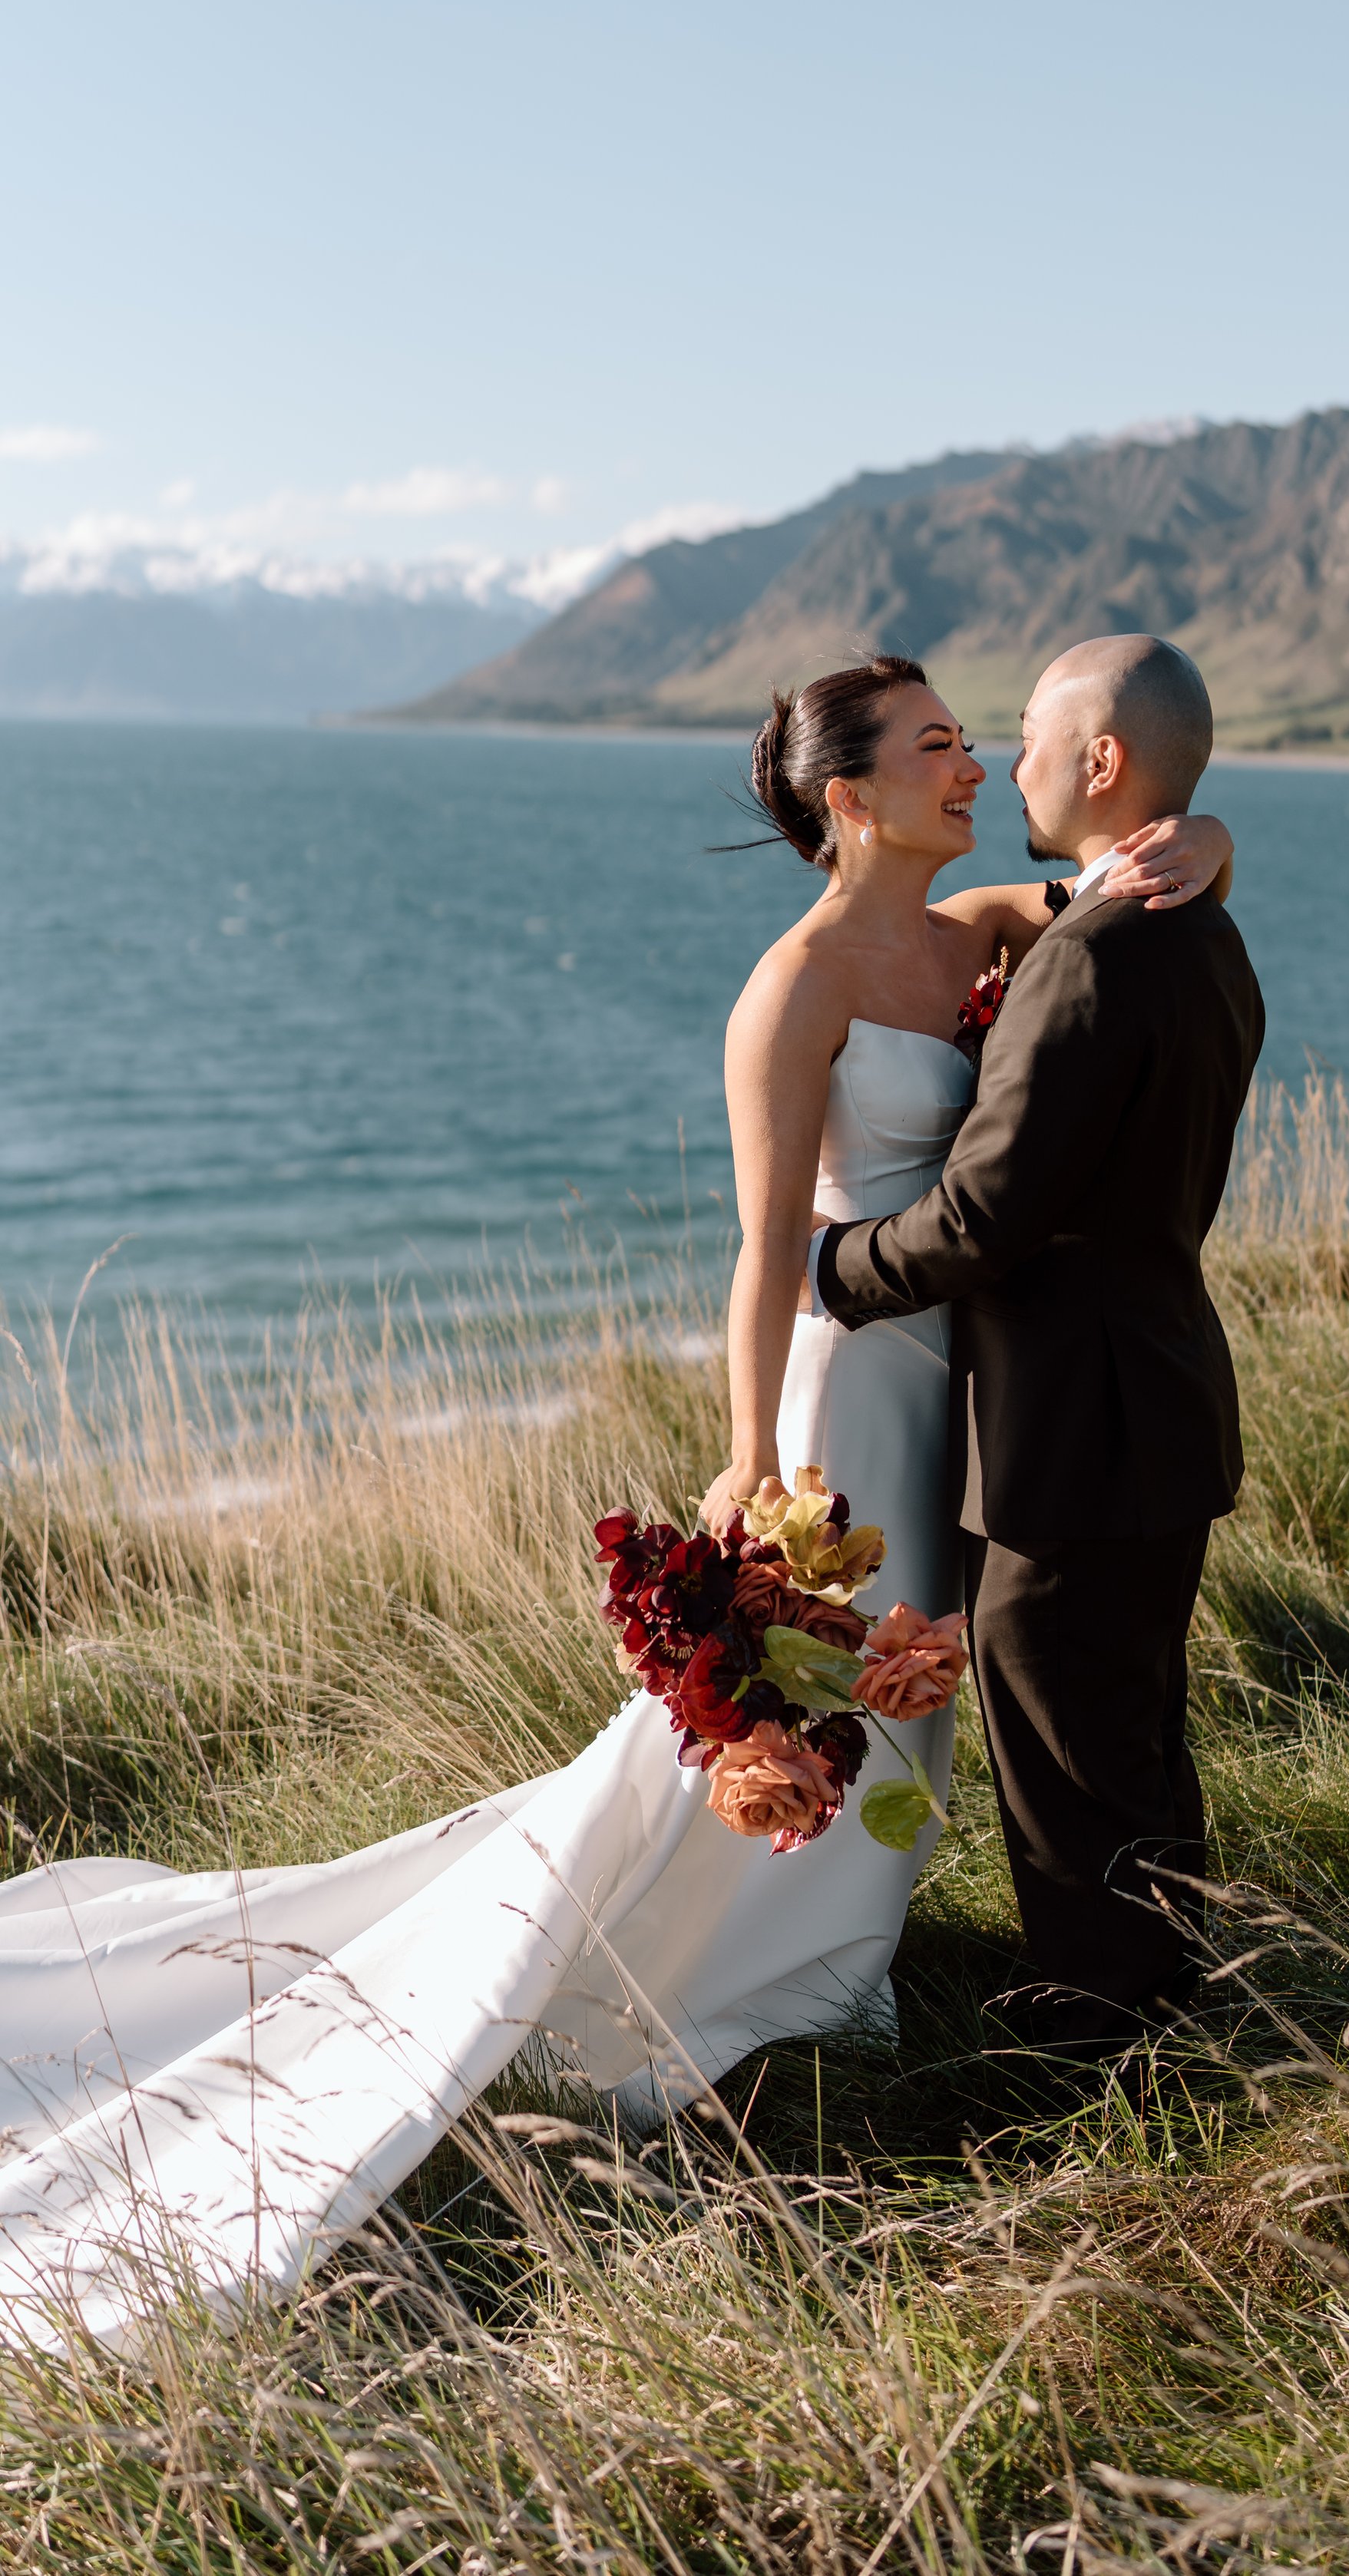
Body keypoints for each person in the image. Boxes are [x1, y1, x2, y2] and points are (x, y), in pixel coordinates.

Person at [0, 649, 1232, 2349]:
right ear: (849, 795)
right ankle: (746, 1968)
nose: (969, 767)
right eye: (938, 746)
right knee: (817, 1686)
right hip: (847, 1380)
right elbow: (763, 1248)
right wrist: (747, 1454)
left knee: (921, 1690)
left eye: (980, 743)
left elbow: (1112, 886)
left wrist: (1207, 834)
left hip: (968, 1388)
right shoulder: (790, 987)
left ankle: (857, 1951)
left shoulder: (978, 935)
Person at [812, 635, 1265, 2056]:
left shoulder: (1086, 962)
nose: (1006, 767)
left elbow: (983, 1218)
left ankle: (1100, 2050)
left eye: (1025, 737)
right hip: (1161, 1396)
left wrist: (830, 1266)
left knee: (1067, 1747)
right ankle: (1173, 2004)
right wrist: (1214, 840)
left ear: (1103, 761)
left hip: (1072, 1429)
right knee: (1131, 1731)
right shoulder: (1205, 934)